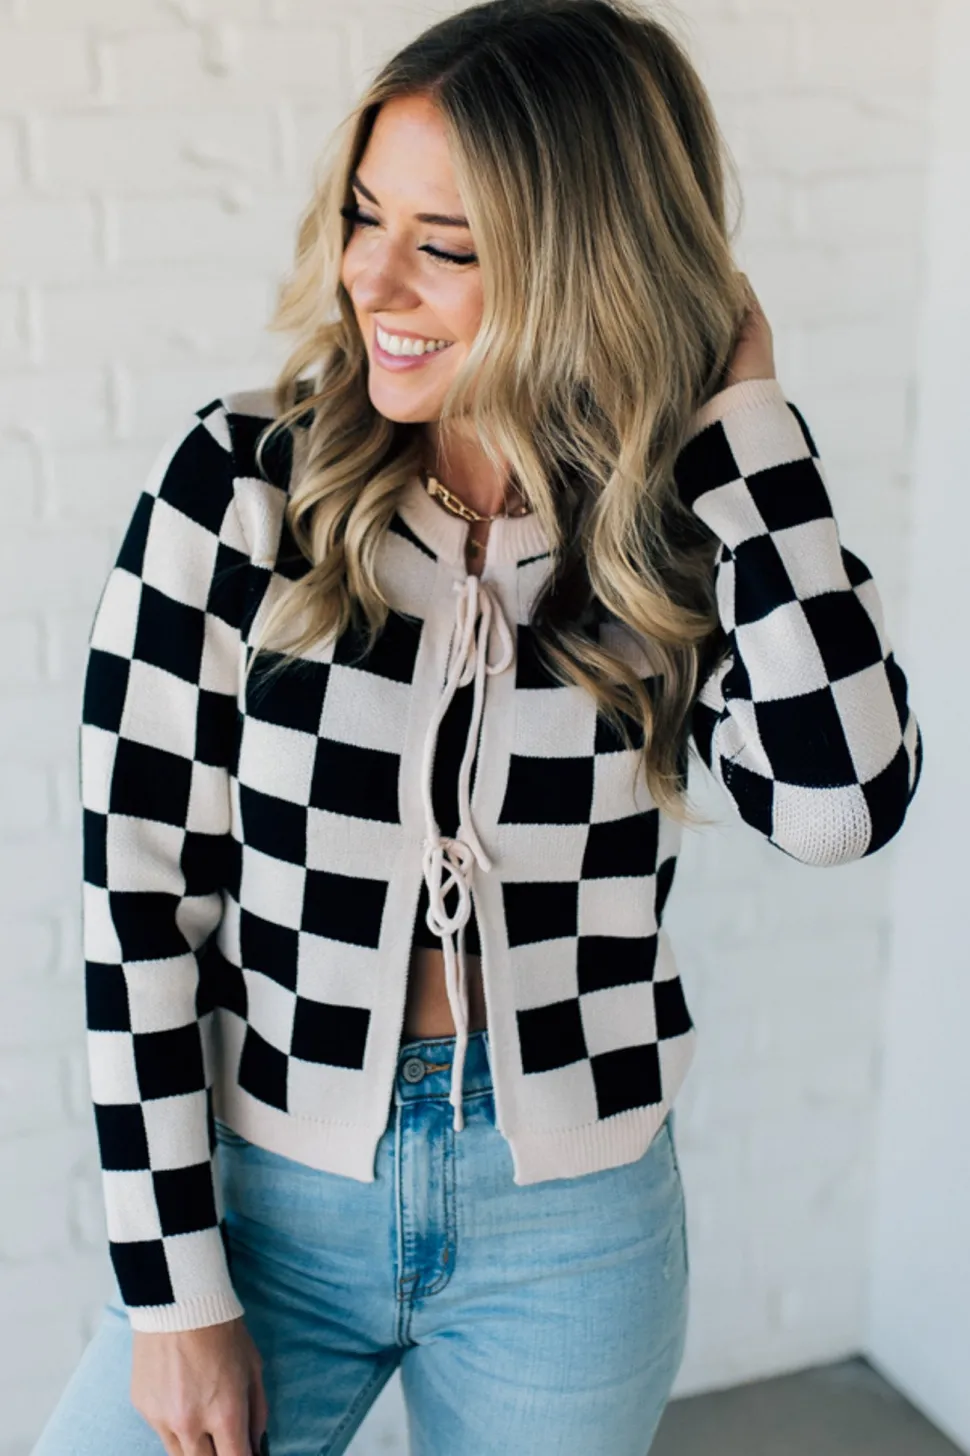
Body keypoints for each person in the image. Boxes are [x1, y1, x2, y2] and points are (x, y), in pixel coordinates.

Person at [32, 1, 922, 1453]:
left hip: (575, 1228)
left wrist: (751, 425)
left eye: (445, 245)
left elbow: (840, 808)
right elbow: (136, 901)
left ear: (589, 264)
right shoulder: (240, 483)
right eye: (363, 216)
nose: (370, 278)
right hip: (266, 1200)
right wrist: (171, 1294)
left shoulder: (683, 522)